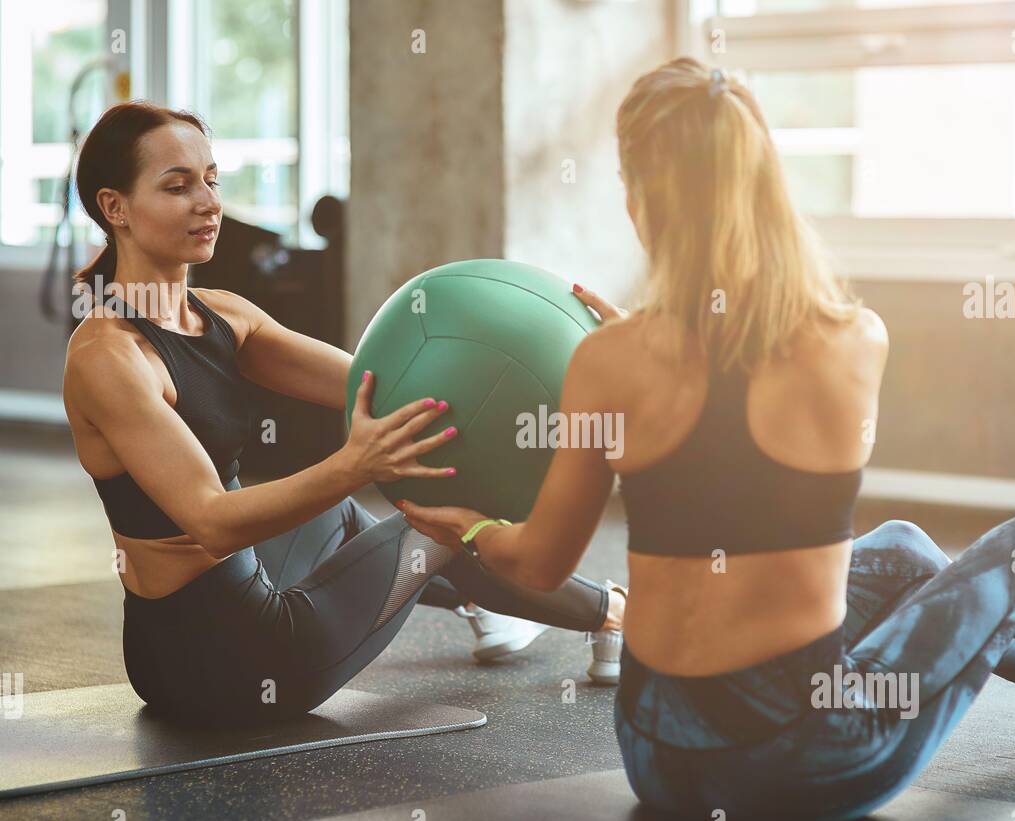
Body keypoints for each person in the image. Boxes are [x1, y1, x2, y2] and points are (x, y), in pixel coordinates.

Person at [397, 58, 1015, 821]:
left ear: (642, 200)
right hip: (812, 761)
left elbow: (538, 563)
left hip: (658, 759)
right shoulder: (853, 339)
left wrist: (466, 524)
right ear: (766, 187)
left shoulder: (607, 362)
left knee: (898, 548)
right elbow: (748, 392)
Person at [61, 100, 626, 727]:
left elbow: (383, 389)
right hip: (240, 661)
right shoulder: (109, 357)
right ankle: (615, 613)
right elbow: (212, 520)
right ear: (115, 208)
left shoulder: (222, 314)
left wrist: (581, 367)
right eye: (178, 185)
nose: (209, 203)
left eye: (212, 180)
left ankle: (485, 597)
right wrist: (357, 462)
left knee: (340, 511)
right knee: (433, 521)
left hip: (187, 639)